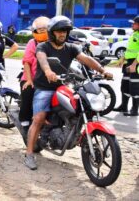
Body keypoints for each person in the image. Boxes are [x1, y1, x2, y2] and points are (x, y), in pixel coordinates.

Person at [24, 16, 113, 170]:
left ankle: (72, 132)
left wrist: (102, 70)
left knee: (79, 106)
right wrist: (48, 71)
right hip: (44, 87)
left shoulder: (71, 48)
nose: (62, 34)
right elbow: (42, 60)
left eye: (65, 31)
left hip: (63, 85)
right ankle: (29, 154)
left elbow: (86, 59)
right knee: (38, 119)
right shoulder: (43, 47)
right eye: (59, 31)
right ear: (52, 33)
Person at [18, 16, 50, 138]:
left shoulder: (52, 42)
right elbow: (27, 62)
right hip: (31, 77)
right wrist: (29, 80)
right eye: (40, 29)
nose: (42, 32)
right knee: (28, 92)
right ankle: (25, 123)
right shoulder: (33, 43)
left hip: (47, 79)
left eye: (45, 29)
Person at [114, 15, 139, 116]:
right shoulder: (134, 34)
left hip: (135, 64)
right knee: (124, 85)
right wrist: (122, 59)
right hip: (128, 62)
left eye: (135, 23)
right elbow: (129, 50)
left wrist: (134, 65)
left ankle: (134, 110)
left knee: (134, 88)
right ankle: (123, 107)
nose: (132, 25)